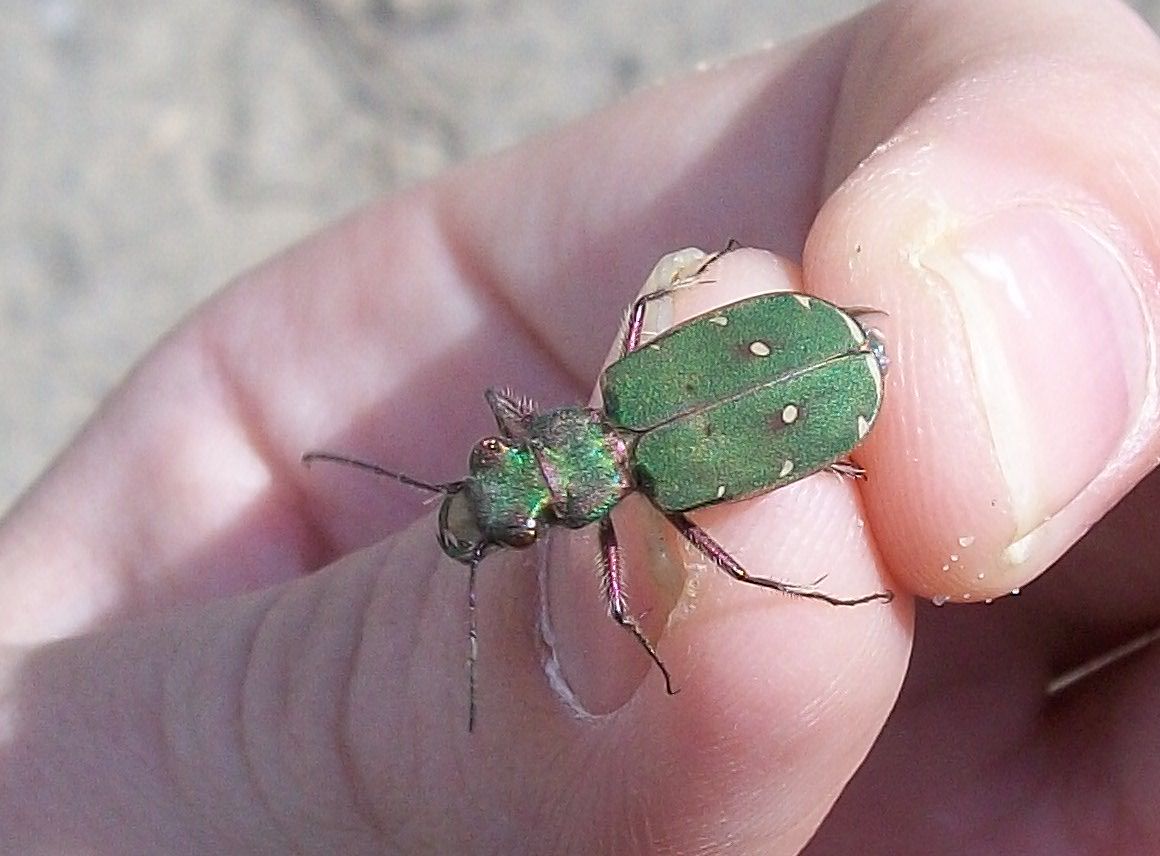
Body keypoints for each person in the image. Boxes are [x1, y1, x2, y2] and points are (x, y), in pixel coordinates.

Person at [3, 0, 1159, 851]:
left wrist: (655, 640)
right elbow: (671, 298)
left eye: (498, 482)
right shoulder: (628, 378)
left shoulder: (624, 475)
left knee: (741, 577)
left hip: (825, 375)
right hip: (805, 357)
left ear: (537, 476)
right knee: (713, 378)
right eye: (503, 499)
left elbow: (619, 600)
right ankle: (816, 573)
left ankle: (815, 581)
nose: (495, 497)